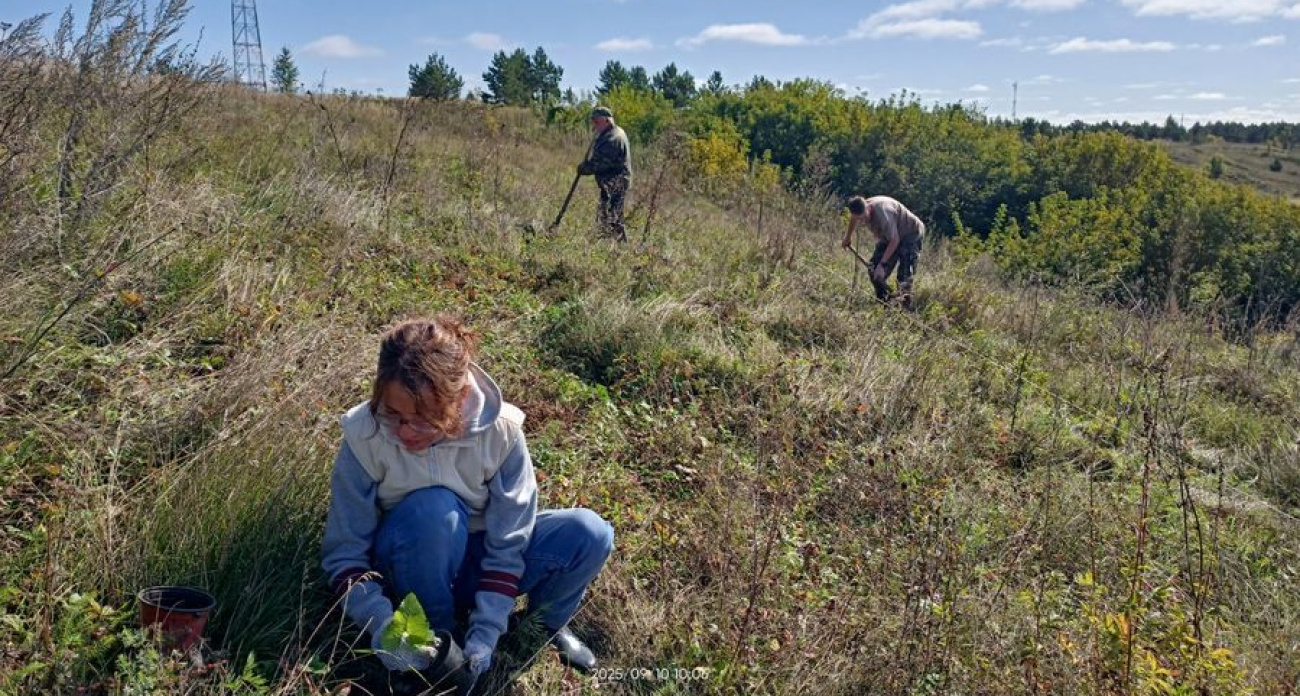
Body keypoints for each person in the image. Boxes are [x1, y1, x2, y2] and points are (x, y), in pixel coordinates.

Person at [322, 317, 614, 685]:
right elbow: (345, 555)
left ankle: (542, 627)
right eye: (393, 414)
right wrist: (381, 623)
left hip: (478, 561)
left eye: (424, 418)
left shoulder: (502, 431)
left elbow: (509, 543)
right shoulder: (364, 435)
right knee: (435, 511)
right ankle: (438, 637)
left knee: (588, 533)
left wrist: (488, 629)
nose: (406, 431)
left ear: (459, 400)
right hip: (407, 563)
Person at [841, 195, 925, 310]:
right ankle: (886, 303)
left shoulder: (883, 214)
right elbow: (854, 218)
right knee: (873, 269)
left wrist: (882, 264)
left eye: (864, 218)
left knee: (904, 277)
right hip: (890, 236)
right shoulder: (859, 207)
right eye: (859, 219)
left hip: (911, 234)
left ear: (868, 209)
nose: (862, 221)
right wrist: (848, 237)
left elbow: (895, 240)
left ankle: (906, 309)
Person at [577, 106, 631, 242]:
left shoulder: (613, 138)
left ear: (607, 121)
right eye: (593, 121)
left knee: (612, 217)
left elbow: (600, 164)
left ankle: (618, 246)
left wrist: (585, 168)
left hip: (616, 183)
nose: (594, 124)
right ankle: (611, 244)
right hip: (611, 183)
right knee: (608, 215)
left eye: (597, 121)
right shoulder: (609, 133)